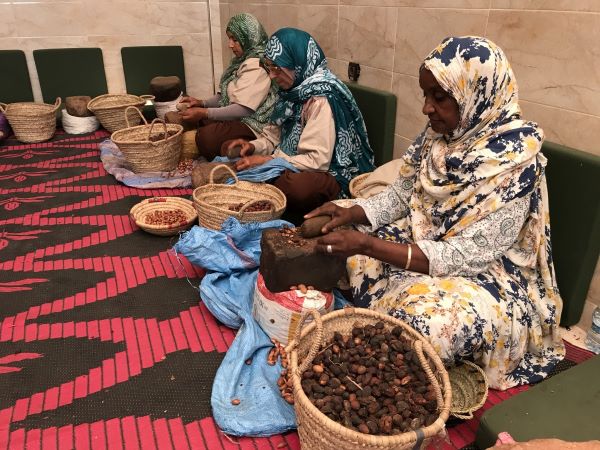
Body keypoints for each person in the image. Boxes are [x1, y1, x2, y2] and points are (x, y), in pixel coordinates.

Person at [306, 36, 565, 390]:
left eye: (439, 97)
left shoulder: (515, 161)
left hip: (489, 277)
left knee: (428, 325)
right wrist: (350, 211)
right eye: (425, 95)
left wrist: (368, 245)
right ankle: (395, 326)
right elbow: (400, 196)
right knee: (342, 247)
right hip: (427, 241)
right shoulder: (439, 136)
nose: (426, 108)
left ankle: (410, 333)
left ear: (475, 92)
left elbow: (468, 255)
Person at [225, 28, 375, 219]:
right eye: (269, 67)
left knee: (295, 187)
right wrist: (253, 146)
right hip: (291, 162)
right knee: (232, 152)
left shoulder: (321, 98)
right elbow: (273, 138)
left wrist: (268, 161)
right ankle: (268, 189)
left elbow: (316, 160)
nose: (272, 76)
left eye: (276, 68)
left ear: (296, 64)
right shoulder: (290, 92)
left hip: (330, 172)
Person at [178, 13, 278, 160]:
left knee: (206, 137)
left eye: (235, 39)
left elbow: (242, 109)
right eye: (229, 39)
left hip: (253, 124)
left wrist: (204, 112)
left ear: (247, 38)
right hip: (238, 118)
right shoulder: (240, 62)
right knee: (196, 120)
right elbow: (224, 96)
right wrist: (201, 103)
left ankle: (247, 146)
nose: (230, 45)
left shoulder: (258, 65)